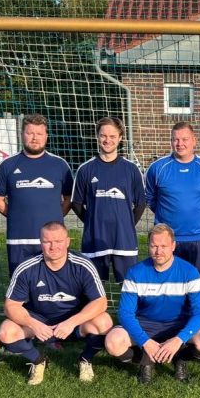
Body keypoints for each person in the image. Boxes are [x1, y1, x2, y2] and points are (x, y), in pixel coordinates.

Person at [0, 221, 111, 385]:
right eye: (47, 242)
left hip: (73, 324)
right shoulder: (27, 267)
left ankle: (85, 359)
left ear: (68, 241)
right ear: (40, 242)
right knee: (6, 332)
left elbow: (101, 302)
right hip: (39, 324)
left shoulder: (83, 265)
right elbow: (10, 306)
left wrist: (71, 322)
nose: (53, 247)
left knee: (104, 322)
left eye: (58, 241)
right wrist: (33, 324)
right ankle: (38, 360)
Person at [104, 224, 200, 384]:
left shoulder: (189, 272)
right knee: (113, 342)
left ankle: (178, 357)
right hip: (146, 324)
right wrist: (144, 341)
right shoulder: (135, 272)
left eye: (163, 246)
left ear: (173, 246)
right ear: (148, 246)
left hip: (178, 324)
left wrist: (179, 339)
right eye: (154, 246)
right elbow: (125, 313)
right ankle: (146, 360)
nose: (158, 251)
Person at [0, 114, 74, 274]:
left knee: (53, 283)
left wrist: (55, 215)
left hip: (52, 241)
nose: (35, 138)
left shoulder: (60, 165)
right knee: (20, 284)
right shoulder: (7, 165)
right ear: (22, 134)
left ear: (46, 136)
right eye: (30, 133)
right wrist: (16, 215)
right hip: (19, 240)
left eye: (39, 134)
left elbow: (69, 199)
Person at [71, 116, 146, 282]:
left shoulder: (131, 169)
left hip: (124, 239)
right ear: (97, 137)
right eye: (103, 135)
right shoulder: (85, 169)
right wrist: (92, 221)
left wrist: (127, 223)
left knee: (129, 286)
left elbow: (141, 203)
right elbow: (76, 203)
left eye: (112, 136)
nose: (107, 140)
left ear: (120, 138)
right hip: (94, 240)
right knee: (92, 288)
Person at [144, 121, 200, 282]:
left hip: (197, 238)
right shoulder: (157, 168)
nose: (180, 144)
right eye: (175, 139)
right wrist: (168, 214)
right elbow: (150, 198)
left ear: (194, 140)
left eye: (184, 139)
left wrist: (197, 215)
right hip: (166, 240)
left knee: (197, 285)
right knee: (166, 284)